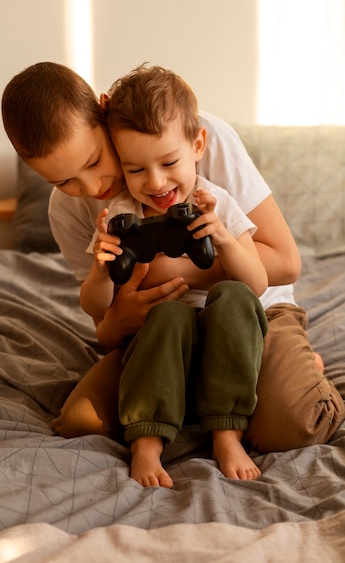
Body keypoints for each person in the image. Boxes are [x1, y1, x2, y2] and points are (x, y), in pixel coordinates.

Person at [1, 62, 344, 473]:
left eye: (93, 161)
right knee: (81, 423)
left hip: (251, 312)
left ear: (104, 113)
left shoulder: (197, 142)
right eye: (63, 182)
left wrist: (174, 269)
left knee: (291, 425)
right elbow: (104, 327)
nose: (91, 189)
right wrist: (120, 314)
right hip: (161, 327)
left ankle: (287, 369)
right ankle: (200, 391)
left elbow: (286, 264)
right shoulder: (78, 211)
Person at [79, 65, 269, 485]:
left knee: (235, 299)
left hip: (223, 339)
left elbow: (256, 284)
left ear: (198, 144)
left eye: (169, 162)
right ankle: (146, 445)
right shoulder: (122, 216)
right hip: (162, 342)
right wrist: (100, 270)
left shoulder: (216, 203)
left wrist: (224, 238)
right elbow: (94, 305)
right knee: (168, 316)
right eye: (135, 170)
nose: (156, 182)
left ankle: (226, 433)